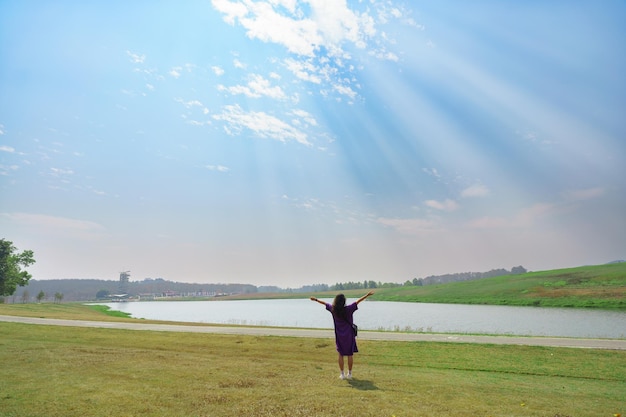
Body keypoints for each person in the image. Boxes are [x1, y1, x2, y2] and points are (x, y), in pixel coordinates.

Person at [310, 291, 374, 379]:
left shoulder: (333, 309)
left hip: (339, 335)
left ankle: (342, 374)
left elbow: (325, 303)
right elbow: (358, 301)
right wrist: (367, 295)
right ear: (344, 301)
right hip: (349, 335)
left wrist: (316, 300)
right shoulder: (349, 309)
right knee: (350, 354)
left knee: (341, 354)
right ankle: (350, 374)